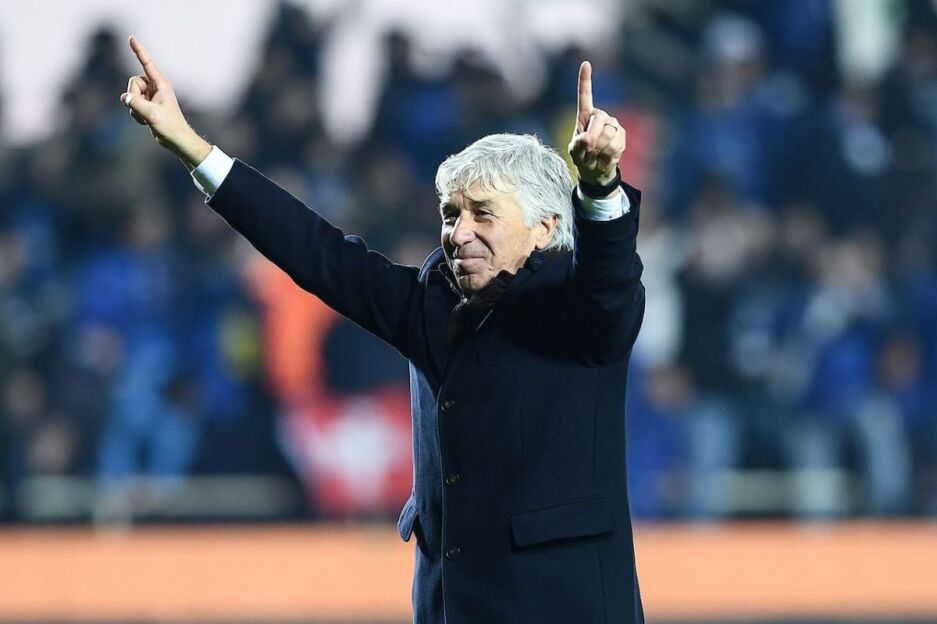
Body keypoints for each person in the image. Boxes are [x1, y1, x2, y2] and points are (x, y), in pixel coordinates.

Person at [121, 34, 646, 624]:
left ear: (545, 227)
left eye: (483, 214)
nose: (459, 233)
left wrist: (599, 188)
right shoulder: (428, 305)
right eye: (451, 215)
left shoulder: (580, 309)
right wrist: (191, 146)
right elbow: (315, 251)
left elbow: (610, 281)